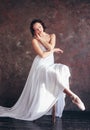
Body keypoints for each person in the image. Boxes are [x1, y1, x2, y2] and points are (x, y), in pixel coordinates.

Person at [0, 19, 85, 121]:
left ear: (43, 26)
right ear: (33, 31)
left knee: (63, 69)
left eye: (39, 27)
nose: (38, 30)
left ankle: (72, 97)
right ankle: (73, 96)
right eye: (35, 29)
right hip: (40, 66)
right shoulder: (34, 40)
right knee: (54, 74)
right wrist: (51, 49)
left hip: (50, 64)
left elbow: (50, 47)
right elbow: (42, 55)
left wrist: (43, 41)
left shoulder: (52, 35)